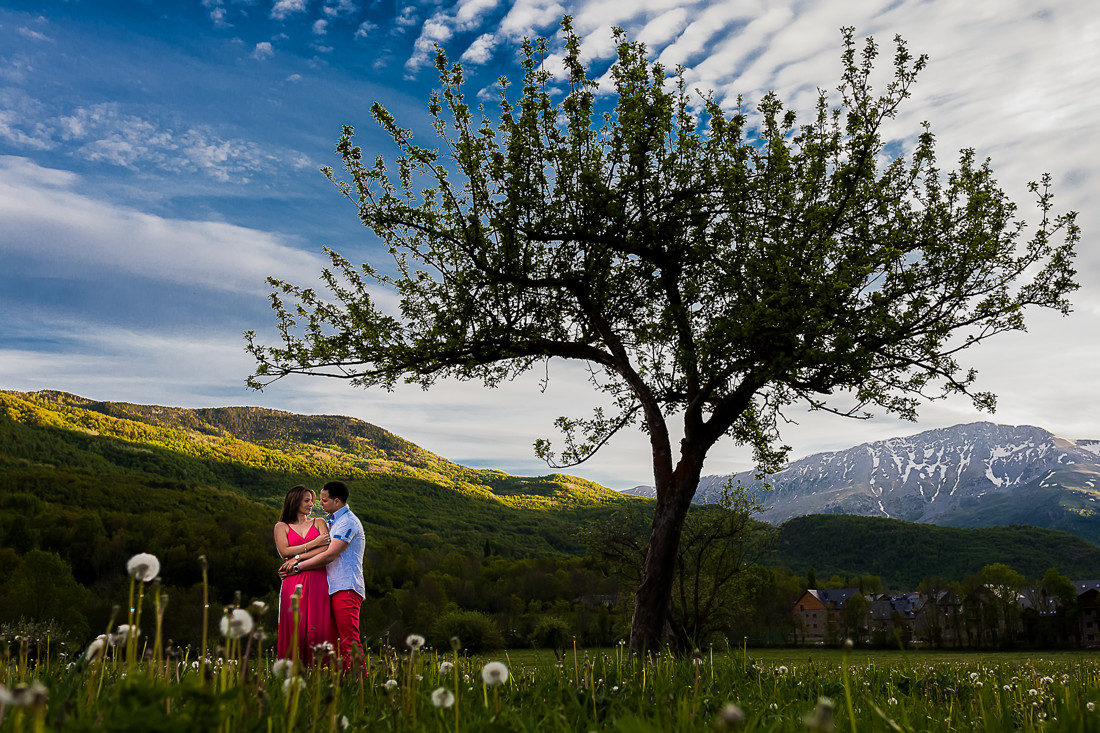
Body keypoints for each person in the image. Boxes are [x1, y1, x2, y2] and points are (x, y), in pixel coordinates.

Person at [281, 480, 365, 670]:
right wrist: (295, 559)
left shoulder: (348, 522)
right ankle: (342, 684)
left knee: (348, 640)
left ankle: (361, 685)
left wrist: (297, 566)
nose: (320, 504)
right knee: (334, 643)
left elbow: (329, 554)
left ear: (337, 501)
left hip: (346, 587)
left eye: (324, 501)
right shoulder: (331, 521)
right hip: (331, 588)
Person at [273, 484, 332, 664]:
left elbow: (326, 548)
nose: (311, 504)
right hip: (293, 582)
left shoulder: (319, 522)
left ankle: (319, 673)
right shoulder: (281, 526)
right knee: (293, 627)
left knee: (318, 626)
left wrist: (297, 557)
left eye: (312, 501)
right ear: (295, 501)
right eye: (307, 501)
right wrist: (312, 543)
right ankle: (291, 673)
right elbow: (284, 552)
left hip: (318, 580)